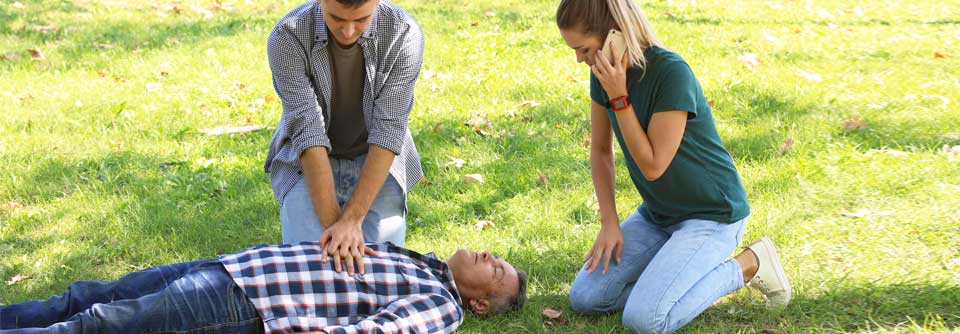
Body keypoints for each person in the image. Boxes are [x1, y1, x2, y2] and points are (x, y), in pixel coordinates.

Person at [555, 0, 792, 333]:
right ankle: (666, 284)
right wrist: (609, 222)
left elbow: (653, 166)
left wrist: (619, 97)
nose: (579, 59)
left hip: (712, 214)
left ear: (614, 34)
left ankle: (750, 263)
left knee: (644, 320)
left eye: (584, 49)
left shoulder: (670, 73)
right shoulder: (603, 74)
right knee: (587, 298)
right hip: (658, 214)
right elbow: (600, 151)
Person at [0, 243, 528, 334]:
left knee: (96, 325)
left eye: (498, 271)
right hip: (234, 268)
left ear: (479, 303)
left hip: (246, 302)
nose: (491, 258)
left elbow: (388, 330)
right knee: (88, 296)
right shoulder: (427, 266)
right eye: (500, 258)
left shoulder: (443, 305)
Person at [264, 0, 425, 267]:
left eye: (361, 19)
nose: (348, 31)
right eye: (337, 18)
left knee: (383, 268)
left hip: (376, 157)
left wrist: (352, 220)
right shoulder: (287, 36)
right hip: (305, 160)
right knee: (310, 269)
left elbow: (389, 131)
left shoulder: (404, 34)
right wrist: (335, 231)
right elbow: (308, 132)